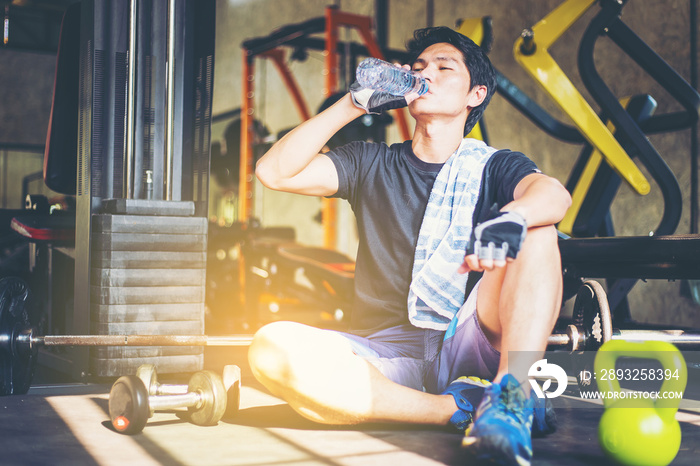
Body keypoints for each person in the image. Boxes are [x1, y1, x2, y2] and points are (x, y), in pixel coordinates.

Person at [251, 26, 571, 465]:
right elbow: (274, 172)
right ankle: (459, 409)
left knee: (538, 227)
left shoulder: (494, 166)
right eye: (418, 67)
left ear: (475, 94)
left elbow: (554, 195)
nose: (426, 75)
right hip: (388, 351)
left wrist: (512, 217)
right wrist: (353, 102)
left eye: (444, 67)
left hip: (468, 337)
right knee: (271, 348)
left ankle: (511, 394)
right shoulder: (370, 162)